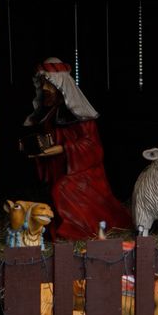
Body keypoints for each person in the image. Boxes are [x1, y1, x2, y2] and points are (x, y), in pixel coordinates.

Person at [20, 57, 132, 240]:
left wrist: (61, 149)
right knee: (49, 191)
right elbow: (49, 140)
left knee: (61, 189)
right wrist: (35, 148)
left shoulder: (81, 116)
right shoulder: (49, 114)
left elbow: (92, 148)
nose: (45, 89)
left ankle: (74, 231)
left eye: (49, 84)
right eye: (43, 84)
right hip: (60, 169)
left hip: (83, 173)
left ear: (61, 86)